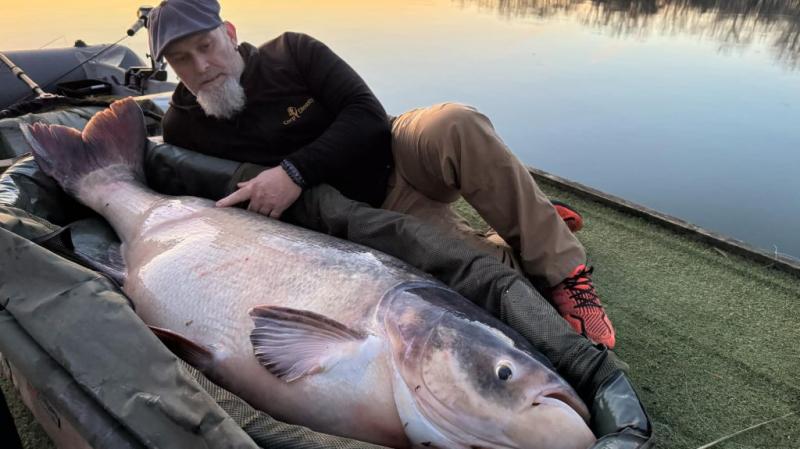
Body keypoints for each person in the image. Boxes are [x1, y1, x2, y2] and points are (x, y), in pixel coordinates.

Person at [146, 0, 616, 348]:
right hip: (374, 217)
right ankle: (520, 227)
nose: (201, 66)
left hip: (398, 154)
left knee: (455, 122)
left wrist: (293, 171)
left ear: (228, 32)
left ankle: (565, 273)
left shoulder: (293, 52)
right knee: (488, 279)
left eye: (205, 46)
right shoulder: (181, 126)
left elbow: (368, 114)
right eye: (181, 59)